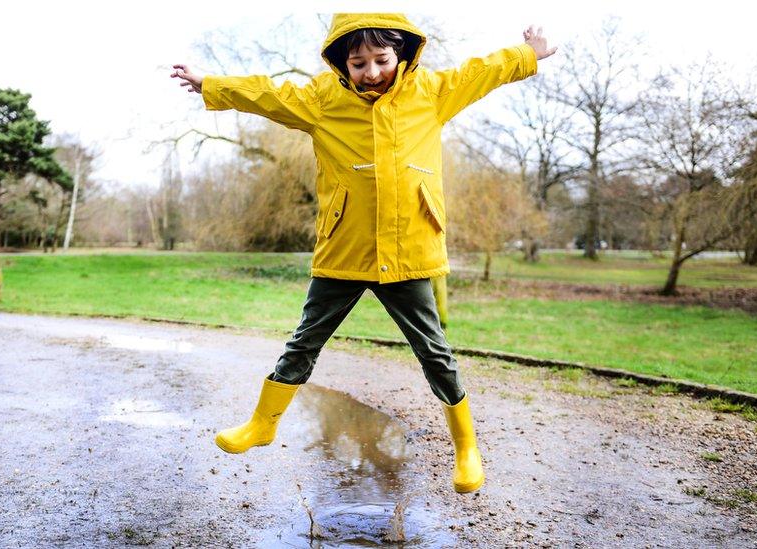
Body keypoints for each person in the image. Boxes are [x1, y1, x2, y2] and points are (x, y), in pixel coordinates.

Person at [172, 13, 556, 493]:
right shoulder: (321, 101)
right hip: (344, 251)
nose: (371, 72)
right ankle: (262, 423)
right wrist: (212, 83)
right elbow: (268, 95)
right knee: (304, 342)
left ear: (402, 55)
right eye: (358, 63)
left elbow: (480, 71)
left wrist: (526, 55)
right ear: (342, 63)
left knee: (434, 352)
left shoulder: (431, 92)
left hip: (410, 250)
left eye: (381, 59)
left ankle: (466, 448)